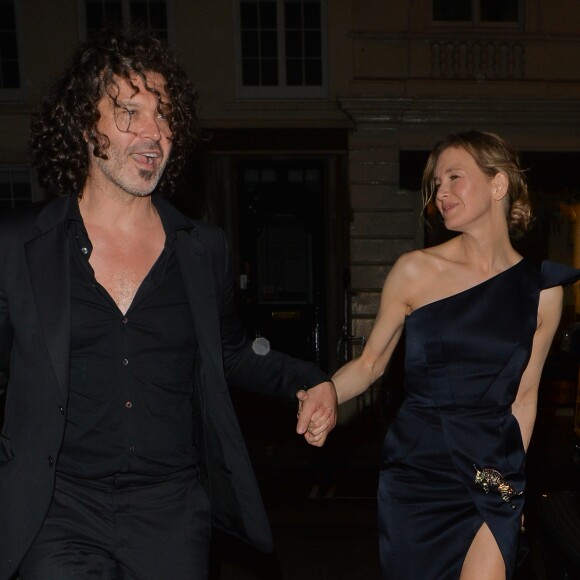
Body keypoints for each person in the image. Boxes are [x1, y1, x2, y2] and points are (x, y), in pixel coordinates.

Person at [0, 26, 336, 580]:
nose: (154, 132)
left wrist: (307, 376)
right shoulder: (22, 246)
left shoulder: (202, 250)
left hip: (171, 511)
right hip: (58, 510)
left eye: (165, 116)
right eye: (130, 112)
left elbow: (229, 352)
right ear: (86, 125)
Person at [311, 130, 580, 579]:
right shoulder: (415, 271)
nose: (442, 192)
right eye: (437, 183)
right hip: (419, 470)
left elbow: (526, 397)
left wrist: (512, 485)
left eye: (455, 177)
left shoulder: (543, 292)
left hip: (491, 473)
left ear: (498, 185)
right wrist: (326, 392)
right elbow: (370, 364)